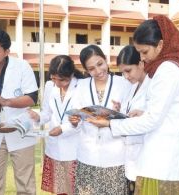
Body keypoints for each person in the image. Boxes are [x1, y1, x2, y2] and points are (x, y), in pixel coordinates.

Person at [86, 15, 179, 194]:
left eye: (144, 52)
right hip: (166, 160)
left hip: (160, 162)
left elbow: (152, 121)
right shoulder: (176, 67)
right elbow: (165, 113)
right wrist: (143, 113)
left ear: (160, 45)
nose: (142, 58)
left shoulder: (167, 70)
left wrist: (110, 123)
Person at [67, 45, 132, 194]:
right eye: (91, 69)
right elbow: (76, 114)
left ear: (106, 60)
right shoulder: (81, 86)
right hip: (87, 155)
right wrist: (74, 120)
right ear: (86, 70)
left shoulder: (124, 83)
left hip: (115, 155)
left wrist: (120, 111)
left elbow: (131, 119)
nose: (98, 71)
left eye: (100, 64)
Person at [0, 29, 39, 195]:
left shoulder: (22, 66)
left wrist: (5, 101)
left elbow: (32, 97)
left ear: (7, 51)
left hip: (21, 131)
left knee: (25, 183)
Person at [27, 55, 83, 195]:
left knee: (76, 190)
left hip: (75, 148)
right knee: (60, 190)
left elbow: (82, 118)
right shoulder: (49, 86)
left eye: (62, 80)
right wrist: (38, 116)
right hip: (54, 148)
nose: (57, 83)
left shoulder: (82, 87)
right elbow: (47, 112)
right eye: (54, 78)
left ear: (71, 75)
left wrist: (63, 128)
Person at [116, 45, 149, 195]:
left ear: (141, 64)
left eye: (128, 70)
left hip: (145, 157)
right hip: (130, 157)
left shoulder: (153, 84)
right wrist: (118, 112)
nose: (126, 76)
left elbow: (156, 116)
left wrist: (144, 114)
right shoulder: (131, 87)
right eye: (123, 72)